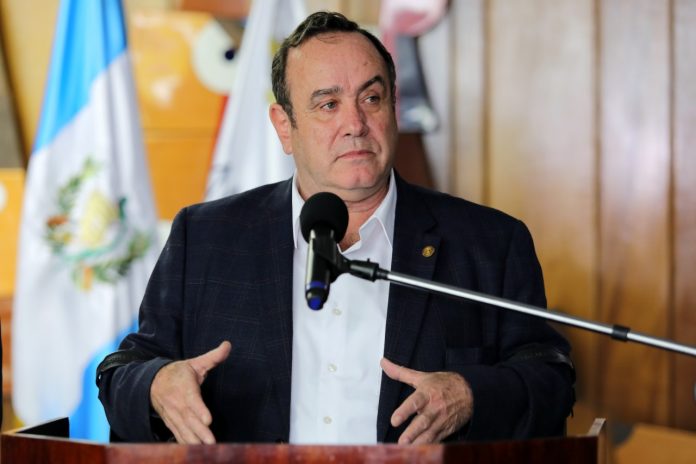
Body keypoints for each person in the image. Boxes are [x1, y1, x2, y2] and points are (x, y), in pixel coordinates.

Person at [97, 11, 574, 445]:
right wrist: (157, 386)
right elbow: (123, 370)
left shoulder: (489, 243)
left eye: (371, 97)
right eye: (328, 104)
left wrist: (470, 395)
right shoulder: (206, 238)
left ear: (393, 108)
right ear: (284, 126)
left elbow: (551, 378)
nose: (356, 123)